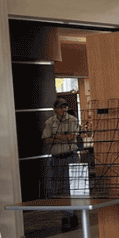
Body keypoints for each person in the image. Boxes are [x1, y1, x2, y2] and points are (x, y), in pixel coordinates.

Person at [42, 97, 80, 230]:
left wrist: (56, 138)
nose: (63, 110)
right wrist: (62, 137)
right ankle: (65, 217)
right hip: (57, 158)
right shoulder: (49, 122)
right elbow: (47, 140)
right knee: (60, 188)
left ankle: (74, 215)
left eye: (65, 107)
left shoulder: (73, 120)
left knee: (74, 188)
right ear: (55, 109)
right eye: (60, 107)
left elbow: (71, 137)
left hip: (71, 156)